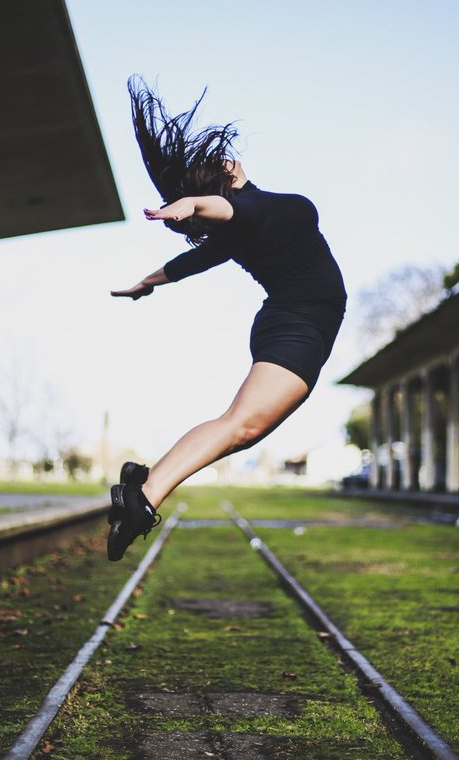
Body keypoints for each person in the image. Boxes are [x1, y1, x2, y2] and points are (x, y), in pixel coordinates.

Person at [105, 78, 347, 561]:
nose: (225, 156)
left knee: (241, 430)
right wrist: (192, 205)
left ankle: (145, 483)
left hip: (295, 325)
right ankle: (143, 499)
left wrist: (148, 281)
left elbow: (191, 262)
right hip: (297, 326)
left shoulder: (241, 224)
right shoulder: (245, 211)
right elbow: (225, 209)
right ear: (222, 180)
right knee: (240, 427)